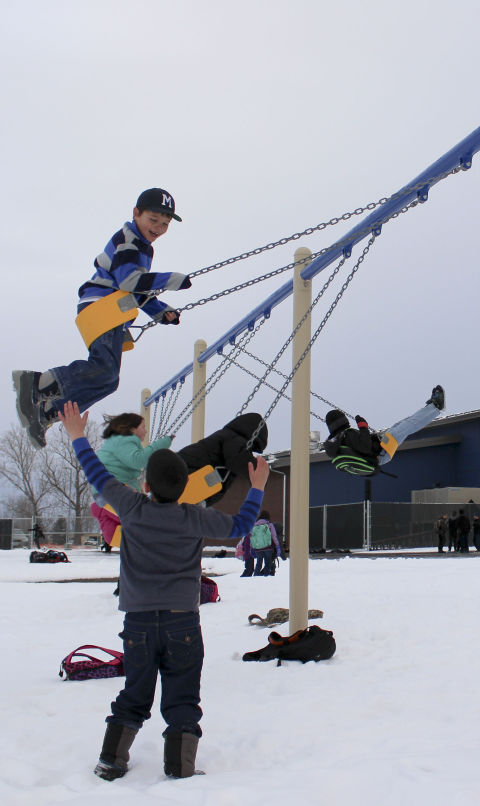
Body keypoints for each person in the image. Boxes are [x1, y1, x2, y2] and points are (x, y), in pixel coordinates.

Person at [56, 400, 268, 781]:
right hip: (182, 622)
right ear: (186, 484)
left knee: (135, 693)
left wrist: (76, 435)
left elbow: (98, 473)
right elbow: (240, 525)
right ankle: (180, 766)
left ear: (147, 484)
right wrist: (257, 487)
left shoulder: (132, 508)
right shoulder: (194, 517)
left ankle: (111, 760)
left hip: (137, 624)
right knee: (182, 695)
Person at [13, 189, 190, 449]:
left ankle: (47, 413)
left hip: (114, 310)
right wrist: (172, 279)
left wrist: (161, 312)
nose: (159, 228)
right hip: (101, 305)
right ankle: (38, 382)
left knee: (108, 381)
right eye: (154, 220)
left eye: (165, 224)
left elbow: (135, 290)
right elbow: (129, 282)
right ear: (136, 213)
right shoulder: (129, 241)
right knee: (104, 370)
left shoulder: (143, 247)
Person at [91, 413, 174, 550]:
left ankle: (102, 513)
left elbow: (138, 464)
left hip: (107, 492)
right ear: (132, 429)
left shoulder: (118, 441)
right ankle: (101, 511)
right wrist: (161, 444)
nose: (146, 430)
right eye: (143, 426)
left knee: (113, 533)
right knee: (144, 519)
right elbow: (137, 461)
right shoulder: (124, 440)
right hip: (114, 492)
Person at [323, 386, 445, 476]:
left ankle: (428, 409)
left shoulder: (334, 444)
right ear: (342, 421)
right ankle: (436, 407)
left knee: (401, 426)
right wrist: (363, 426)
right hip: (381, 452)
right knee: (405, 427)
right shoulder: (347, 434)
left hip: (378, 455)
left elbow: (358, 449)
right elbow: (365, 446)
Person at [239, 512, 281, 577]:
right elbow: (274, 536)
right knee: (268, 563)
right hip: (268, 547)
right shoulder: (269, 524)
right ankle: (265, 577)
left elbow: (251, 538)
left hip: (258, 548)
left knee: (259, 563)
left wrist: (252, 548)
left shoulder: (254, 525)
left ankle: (256, 576)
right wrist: (277, 546)